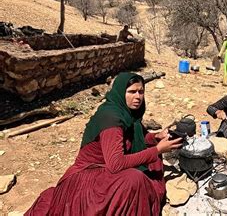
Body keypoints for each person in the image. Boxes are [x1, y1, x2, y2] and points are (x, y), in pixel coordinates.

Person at [25, 72, 183, 215]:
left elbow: (137, 138)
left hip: (107, 167)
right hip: (89, 174)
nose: (138, 97)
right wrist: (157, 149)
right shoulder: (111, 117)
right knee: (135, 178)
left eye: (141, 92)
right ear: (121, 92)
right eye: (132, 92)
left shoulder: (128, 113)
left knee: (153, 161)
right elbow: (115, 164)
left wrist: (156, 137)